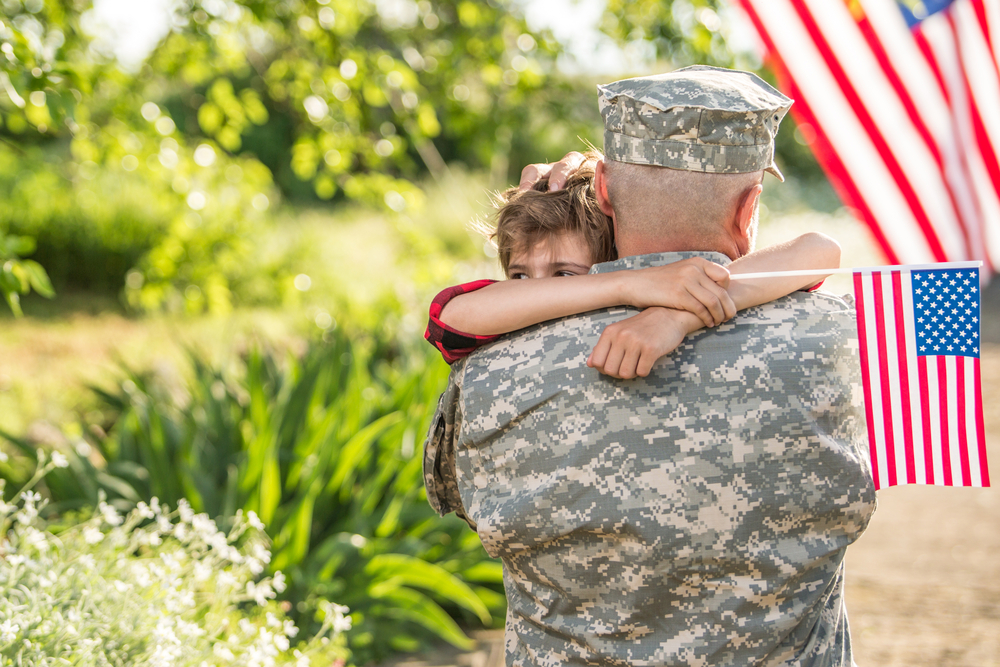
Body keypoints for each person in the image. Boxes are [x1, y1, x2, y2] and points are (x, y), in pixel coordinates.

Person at [423, 66, 877, 667]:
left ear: (605, 192)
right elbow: (821, 249)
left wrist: (674, 314)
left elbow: (454, 489)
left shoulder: (492, 364)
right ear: (749, 210)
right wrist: (685, 307)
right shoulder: (854, 341)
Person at [425, 152, 840, 378]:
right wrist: (630, 284)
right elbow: (450, 316)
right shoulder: (625, 286)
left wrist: (673, 318)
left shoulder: (636, 305)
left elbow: (820, 250)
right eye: (519, 276)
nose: (532, 288)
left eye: (565, 273)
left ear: (610, 260)